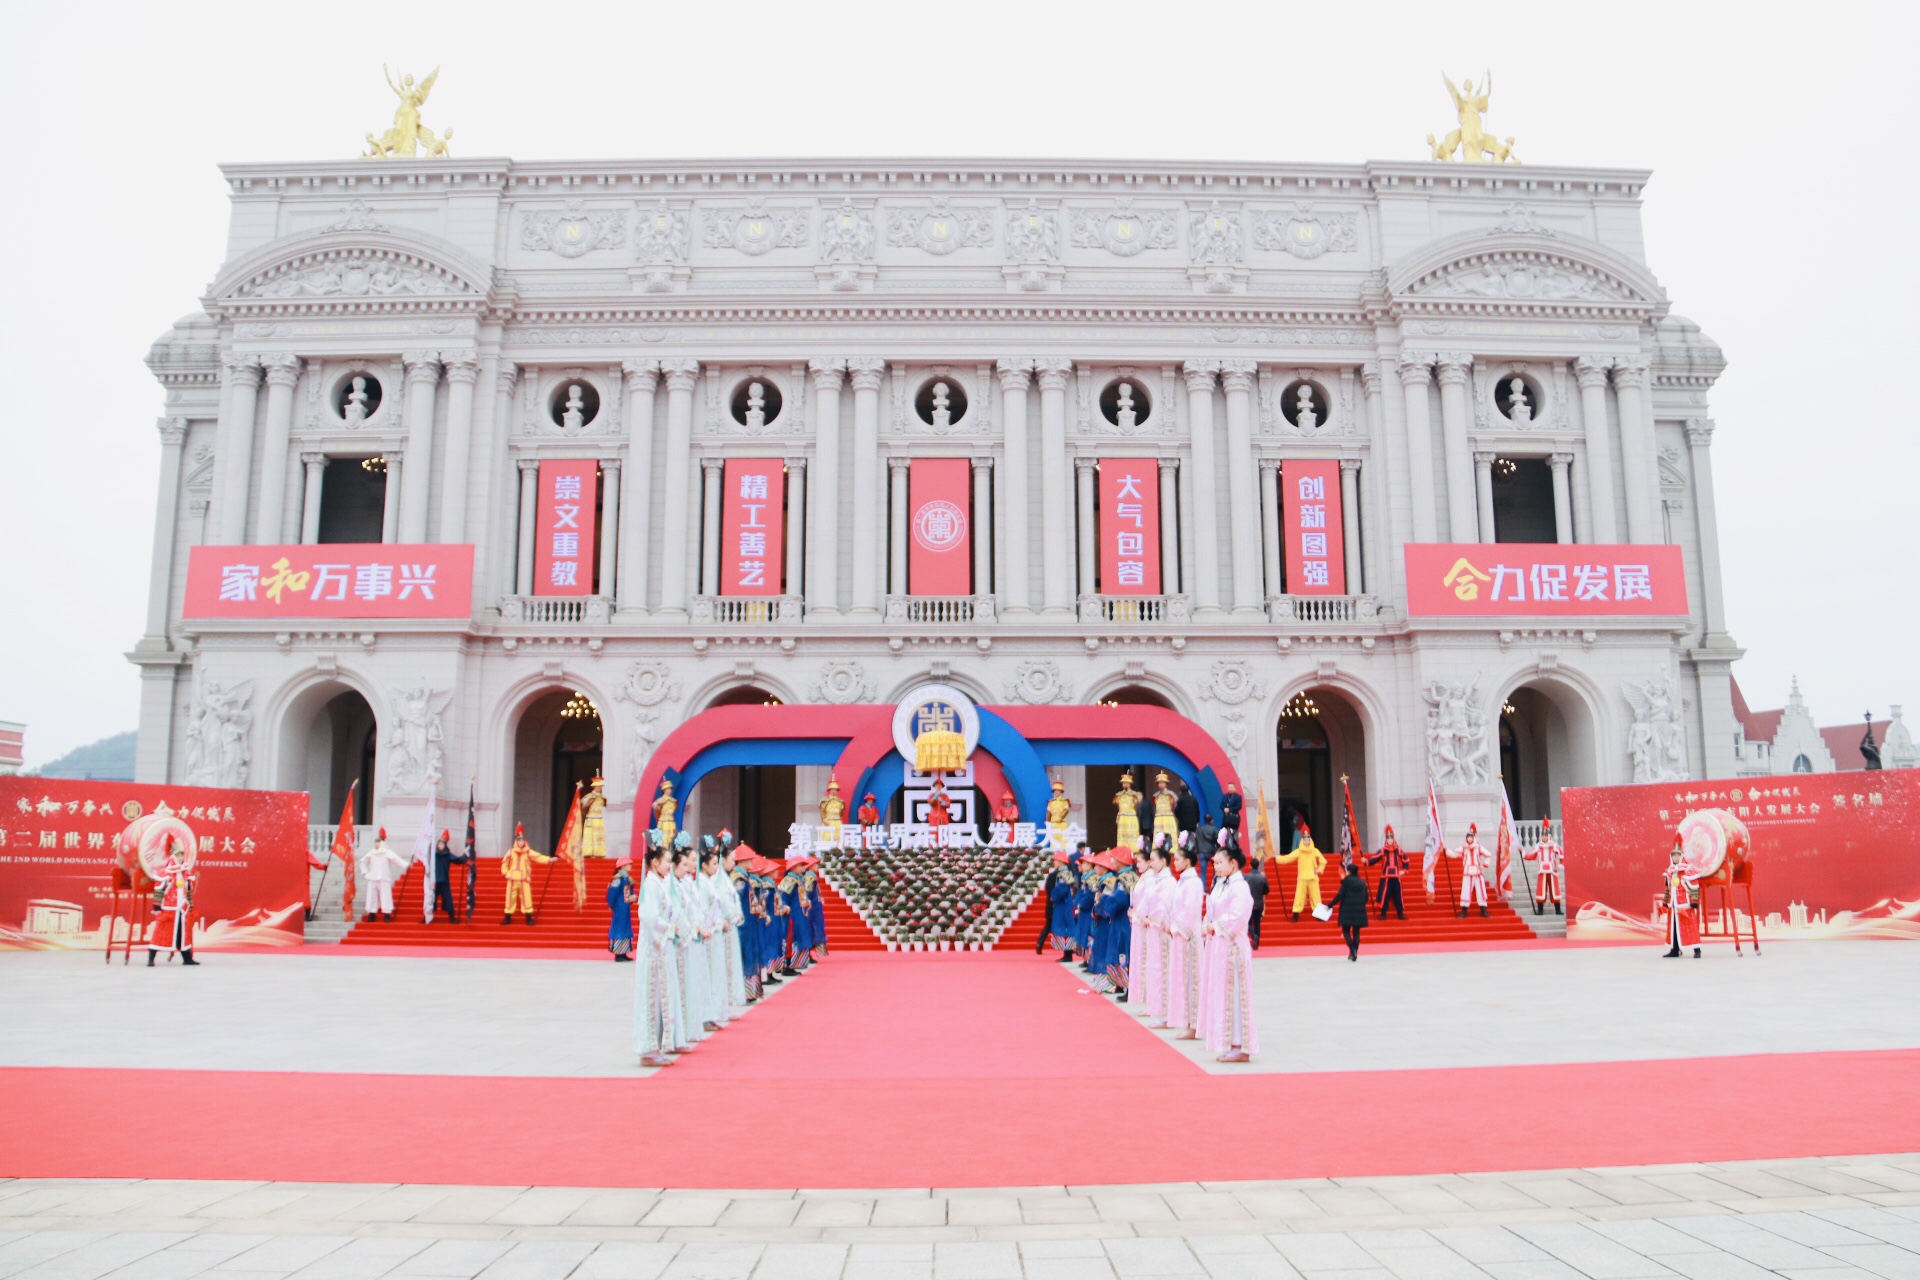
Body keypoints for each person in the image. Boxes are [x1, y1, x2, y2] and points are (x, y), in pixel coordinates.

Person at [1199, 843, 1258, 1062]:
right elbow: (1211, 910)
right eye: (1215, 863)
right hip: (1219, 946)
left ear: (1233, 863)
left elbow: (1238, 916)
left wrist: (1215, 926)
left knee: (1235, 995)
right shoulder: (1220, 885)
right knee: (1222, 992)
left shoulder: (1240, 887)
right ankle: (1228, 1041)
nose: (1216, 866)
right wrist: (1206, 924)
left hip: (1233, 947)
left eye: (1220, 862)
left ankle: (1241, 1045)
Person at [631, 838, 679, 1066]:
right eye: (667, 861)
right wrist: (668, 929)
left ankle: (655, 1047)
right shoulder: (650, 885)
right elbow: (649, 917)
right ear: (655, 862)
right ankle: (648, 1050)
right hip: (654, 948)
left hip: (662, 947)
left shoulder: (659, 883)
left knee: (660, 997)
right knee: (651, 998)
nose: (670, 865)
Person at [1159, 840, 1204, 1040]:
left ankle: (1194, 1024)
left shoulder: (1193, 882)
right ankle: (1188, 1021)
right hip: (1180, 936)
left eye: (1177, 859)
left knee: (1192, 980)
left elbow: (1190, 911)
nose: (1174, 862)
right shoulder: (1183, 881)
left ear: (1187, 861)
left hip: (1189, 938)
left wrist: (1176, 927)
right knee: (1183, 979)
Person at [1128, 840, 1166, 1011]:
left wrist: (1140, 915)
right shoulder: (1145, 878)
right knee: (1141, 961)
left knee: (1147, 961)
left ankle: (1149, 1000)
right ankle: (1144, 998)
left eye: (1141, 861)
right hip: (1139, 921)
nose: (1140, 865)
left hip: (1145, 923)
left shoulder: (1151, 879)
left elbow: (1150, 901)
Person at [147, 842, 199, 967]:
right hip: (169, 909)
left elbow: (188, 892)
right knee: (161, 934)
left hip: (182, 910)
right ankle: (151, 958)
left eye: (182, 856)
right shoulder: (165, 873)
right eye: (178, 856)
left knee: (183, 935)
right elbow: (159, 890)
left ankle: (187, 958)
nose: (181, 858)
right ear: (172, 857)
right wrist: (157, 905)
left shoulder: (187, 873)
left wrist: (190, 905)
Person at [500, 824, 553, 925]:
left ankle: (528, 918)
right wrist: (506, 873)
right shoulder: (511, 852)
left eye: (522, 840)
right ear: (516, 840)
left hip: (524, 878)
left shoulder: (528, 852)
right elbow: (504, 862)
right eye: (519, 840)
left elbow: (538, 857)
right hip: (512, 878)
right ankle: (507, 917)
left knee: (526, 897)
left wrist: (549, 859)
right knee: (510, 897)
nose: (521, 842)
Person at [1273, 831, 1328, 923]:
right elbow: (1288, 858)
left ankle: (1319, 915)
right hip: (1302, 877)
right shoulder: (1299, 851)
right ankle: (1295, 915)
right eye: (1305, 840)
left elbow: (1323, 861)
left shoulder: (1315, 851)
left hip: (1313, 877)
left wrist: (1319, 869)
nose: (1307, 842)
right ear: (1302, 841)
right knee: (1299, 896)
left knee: (1316, 897)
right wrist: (1277, 858)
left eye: (1308, 840)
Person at [1662, 837, 1701, 959]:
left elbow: (1694, 887)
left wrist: (1694, 901)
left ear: (1682, 856)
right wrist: (1665, 901)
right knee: (1673, 930)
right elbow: (1667, 888)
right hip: (1674, 906)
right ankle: (1674, 950)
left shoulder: (1688, 870)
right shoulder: (1670, 871)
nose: (1675, 858)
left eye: (1677, 855)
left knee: (1690, 929)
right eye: (1673, 856)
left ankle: (1697, 950)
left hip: (1686, 906)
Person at [359, 827, 408, 922]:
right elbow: (363, 861)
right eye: (376, 842)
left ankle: (387, 914)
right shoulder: (371, 853)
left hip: (383, 877)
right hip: (372, 877)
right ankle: (372, 914)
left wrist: (405, 865)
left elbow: (396, 859)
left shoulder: (387, 852)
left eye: (378, 842)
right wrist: (365, 873)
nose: (376, 844)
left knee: (385, 896)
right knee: (371, 896)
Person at [1367, 826, 1409, 921]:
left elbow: (1406, 860)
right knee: (1384, 895)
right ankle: (1383, 913)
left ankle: (1400, 913)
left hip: (1396, 876)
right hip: (1385, 877)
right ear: (1386, 839)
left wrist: (1404, 870)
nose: (1390, 840)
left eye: (1391, 838)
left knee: (1398, 895)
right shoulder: (1382, 850)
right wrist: (1366, 861)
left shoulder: (1398, 850)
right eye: (1388, 838)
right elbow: (1374, 859)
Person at [1332, 860, 1370, 961]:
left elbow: (1339, 896)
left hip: (1346, 910)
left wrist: (1330, 905)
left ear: (1349, 872)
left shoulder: (1346, 882)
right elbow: (1366, 898)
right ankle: (1354, 952)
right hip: (1359, 910)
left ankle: (1352, 949)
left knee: (1346, 931)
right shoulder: (1362, 883)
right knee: (1357, 932)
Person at [429, 829, 468, 923]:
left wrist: (464, 856)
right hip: (434, 881)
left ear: (445, 845)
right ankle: (427, 916)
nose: (440, 846)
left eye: (442, 844)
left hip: (444, 881)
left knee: (448, 899)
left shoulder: (447, 855)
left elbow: (457, 860)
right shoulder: (433, 855)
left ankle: (452, 917)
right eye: (439, 844)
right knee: (431, 900)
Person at [1048, 850, 1079, 960]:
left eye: (1055, 860)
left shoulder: (1063, 874)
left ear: (1061, 861)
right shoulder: (1064, 872)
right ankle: (1067, 953)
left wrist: (1053, 895)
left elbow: (1062, 889)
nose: (1054, 862)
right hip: (1064, 904)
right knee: (1067, 927)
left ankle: (1068, 954)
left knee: (1066, 928)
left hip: (1064, 905)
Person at [1455, 823, 1490, 918]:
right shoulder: (1464, 847)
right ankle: (1464, 911)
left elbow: (1488, 855)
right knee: (1465, 890)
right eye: (1468, 837)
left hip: (1478, 872)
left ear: (1473, 837)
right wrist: (1445, 850)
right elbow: (1455, 853)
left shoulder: (1478, 847)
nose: (1469, 839)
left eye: (1471, 837)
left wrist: (1485, 864)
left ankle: (1483, 910)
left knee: (1481, 891)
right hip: (1467, 872)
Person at [1528, 831, 1564, 915]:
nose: (1544, 837)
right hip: (1542, 871)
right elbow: (1531, 856)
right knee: (1541, 890)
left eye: (1546, 836)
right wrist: (1522, 853)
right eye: (1543, 836)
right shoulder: (1538, 847)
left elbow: (1562, 855)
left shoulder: (1554, 846)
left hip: (1552, 872)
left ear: (1549, 836)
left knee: (1555, 890)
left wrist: (1560, 865)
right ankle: (1540, 910)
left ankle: (1558, 910)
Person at [607, 857, 636, 961]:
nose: (630, 866)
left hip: (625, 906)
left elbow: (630, 890)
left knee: (625, 928)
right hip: (620, 907)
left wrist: (632, 897)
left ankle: (624, 952)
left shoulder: (626, 878)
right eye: (628, 864)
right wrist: (612, 905)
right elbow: (612, 894)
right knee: (619, 928)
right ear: (623, 866)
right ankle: (618, 953)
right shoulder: (618, 879)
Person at [1243, 854, 1269, 948]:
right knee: (1257, 923)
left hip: (1249, 904)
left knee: (1248, 923)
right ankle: (1257, 943)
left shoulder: (1246, 877)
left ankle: (1254, 935)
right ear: (1258, 866)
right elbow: (1266, 891)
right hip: (1259, 903)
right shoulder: (1262, 878)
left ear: (1250, 866)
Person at [580, 776, 608, 859]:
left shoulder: (602, 798)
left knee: (599, 836)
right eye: (598, 786)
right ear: (594, 787)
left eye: (600, 786)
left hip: (599, 819)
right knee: (590, 836)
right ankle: (589, 852)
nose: (600, 788)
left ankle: (599, 853)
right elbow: (583, 806)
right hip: (591, 818)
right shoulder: (589, 796)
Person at [1113, 773, 1142, 847]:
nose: (1125, 784)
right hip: (1122, 817)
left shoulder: (1135, 795)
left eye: (1127, 783)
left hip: (1131, 817)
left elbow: (1137, 807)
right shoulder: (1118, 795)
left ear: (1130, 784)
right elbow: (1118, 806)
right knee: (1122, 837)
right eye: (1124, 783)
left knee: (1131, 835)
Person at [1150, 772, 1180, 841]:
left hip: (1168, 817)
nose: (1161, 784)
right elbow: (1154, 807)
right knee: (1158, 834)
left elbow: (1176, 806)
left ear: (1166, 784)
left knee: (1170, 833)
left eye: (1162, 782)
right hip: (1158, 818)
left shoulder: (1171, 794)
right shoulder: (1155, 796)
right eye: (1159, 783)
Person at [1046, 776, 1072, 851]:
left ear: (1061, 791)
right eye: (1055, 791)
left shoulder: (1064, 801)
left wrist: (1060, 818)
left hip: (1062, 823)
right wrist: (1047, 821)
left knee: (1062, 838)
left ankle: (1063, 852)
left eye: (1058, 790)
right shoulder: (1051, 802)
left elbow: (1066, 810)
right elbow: (1049, 812)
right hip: (1053, 823)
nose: (1056, 792)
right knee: (1053, 838)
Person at [651, 779, 679, 846]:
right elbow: (655, 807)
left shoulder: (673, 801)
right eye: (668, 789)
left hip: (671, 821)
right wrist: (658, 808)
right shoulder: (660, 800)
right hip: (663, 821)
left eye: (670, 789)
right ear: (664, 790)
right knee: (663, 839)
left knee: (672, 838)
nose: (670, 790)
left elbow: (675, 807)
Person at [1220, 782, 1244, 847]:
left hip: (1233, 819)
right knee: (1224, 833)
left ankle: (1233, 846)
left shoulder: (1238, 797)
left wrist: (1230, 809)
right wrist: (1224, 809)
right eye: (1228, 787)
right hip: (1226, 819)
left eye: (1231, 787)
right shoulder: (1225, 796)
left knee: (1233, 834)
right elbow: (1221, 805)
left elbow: (1239, 806)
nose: (1229, 789)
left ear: (1234, 788)